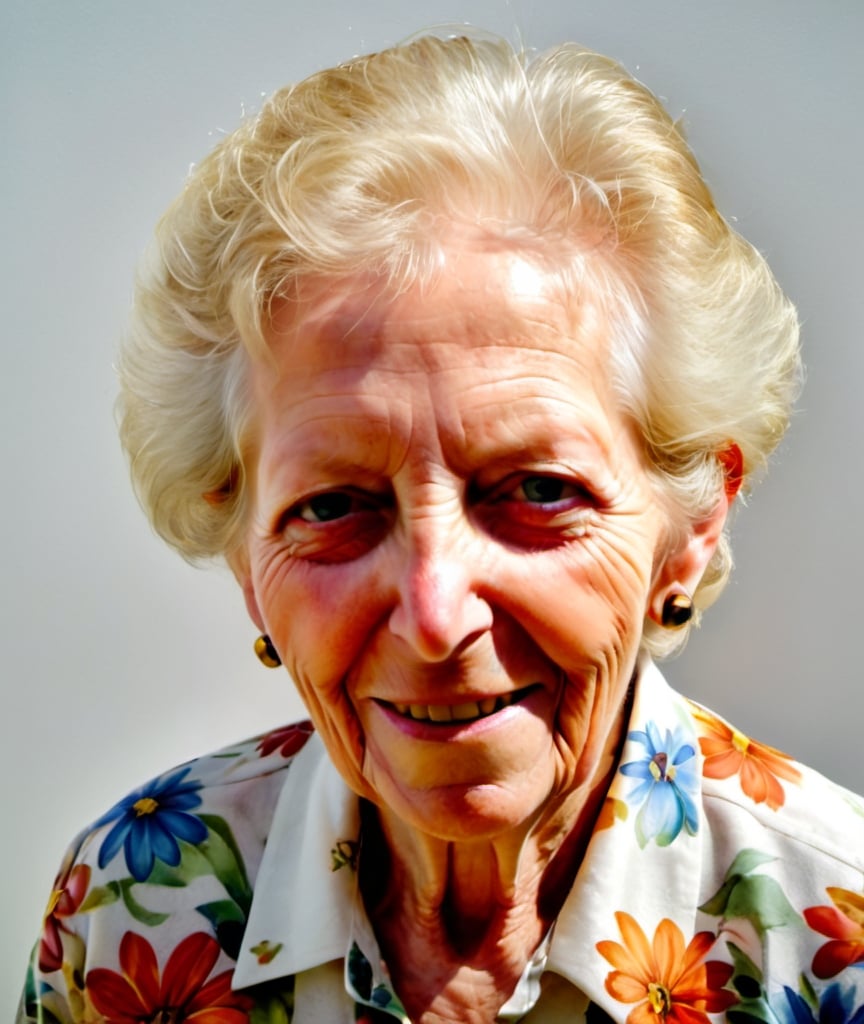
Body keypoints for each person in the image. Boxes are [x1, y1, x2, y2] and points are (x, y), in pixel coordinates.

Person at [18, 32, 864, 1024]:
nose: (432, 615)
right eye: (331, 507)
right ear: (245, 552)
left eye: (538, 490)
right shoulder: (135, 908)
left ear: (694, 521)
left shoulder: (831, 935)